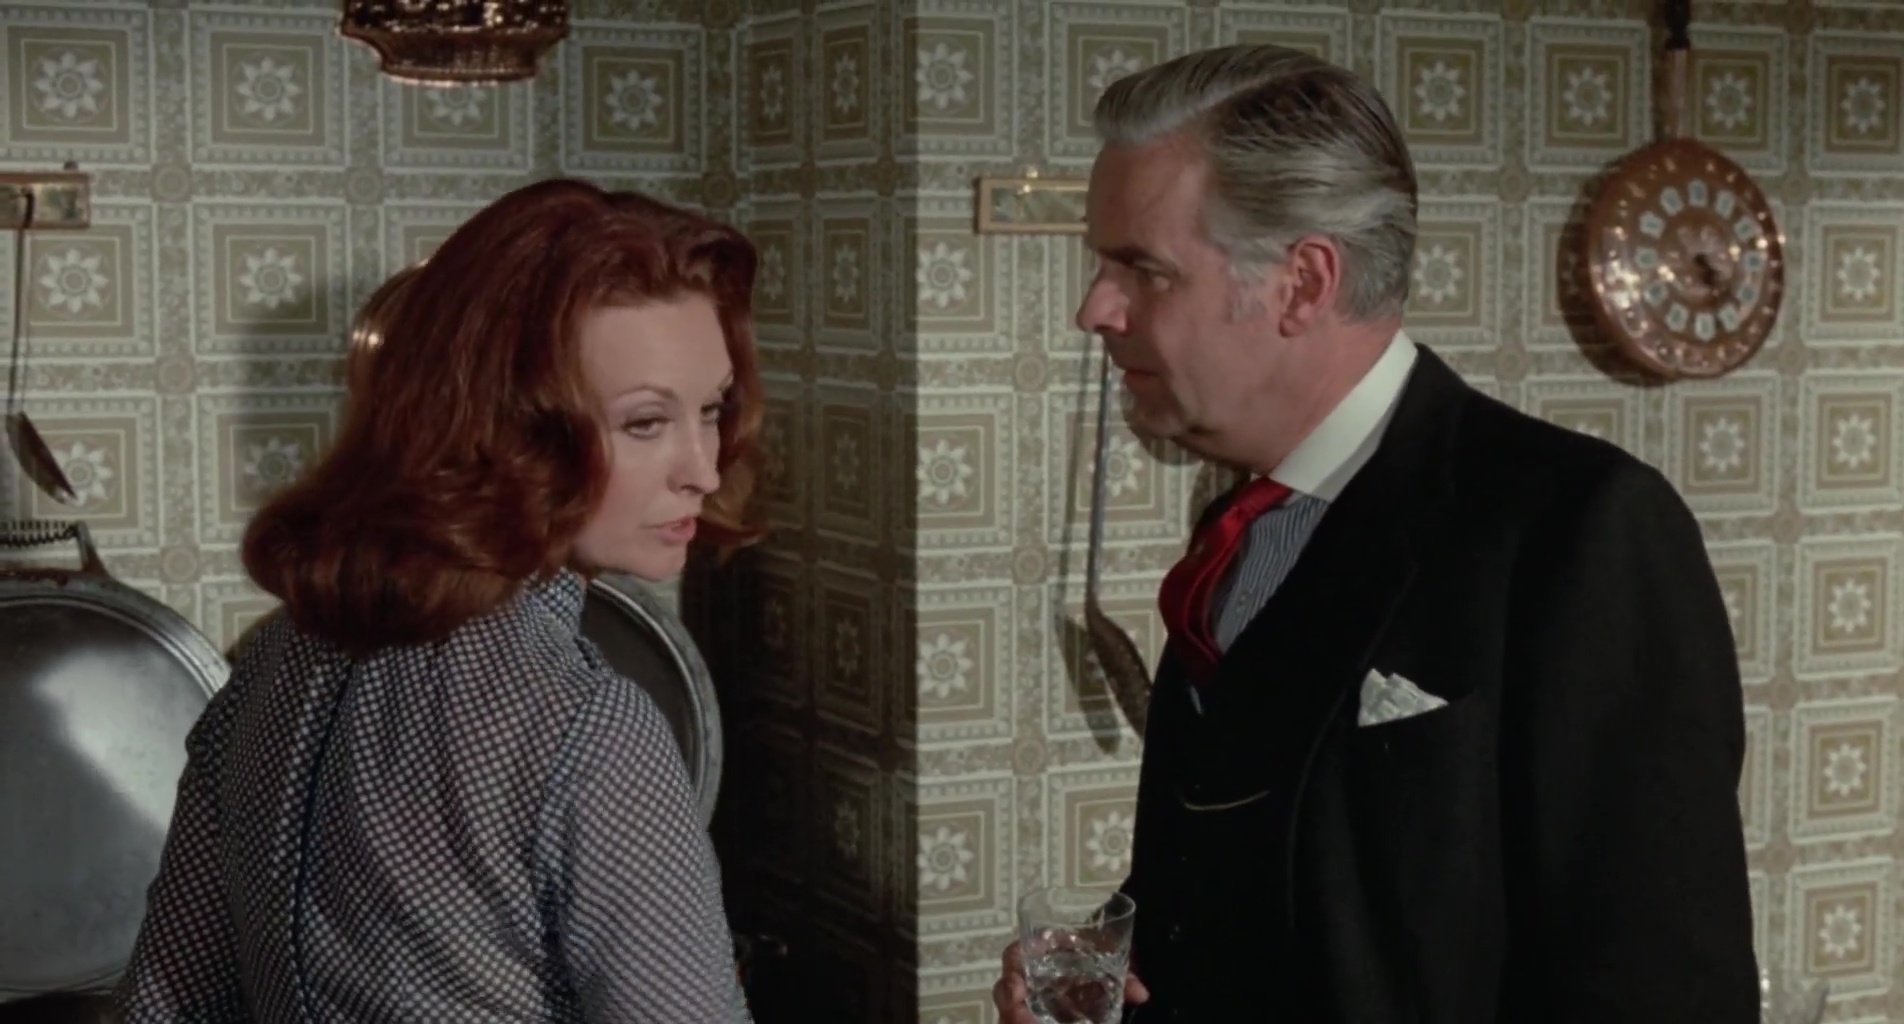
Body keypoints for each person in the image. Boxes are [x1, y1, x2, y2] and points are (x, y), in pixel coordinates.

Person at [995, 44, 1758, 1023]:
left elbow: (1660, 990)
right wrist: (1104, 965)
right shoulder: (1241, 524)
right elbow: (1275, 869)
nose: (1094, 309)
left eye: (1141, 268)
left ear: (1303, 282)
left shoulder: (1580, 530)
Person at [114, 178, 765, 1023]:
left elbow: (168, 1002)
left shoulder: (277, 660)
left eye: (710, 410)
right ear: (502, 427)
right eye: (644, 423)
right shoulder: (587, 726)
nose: (704, 469)